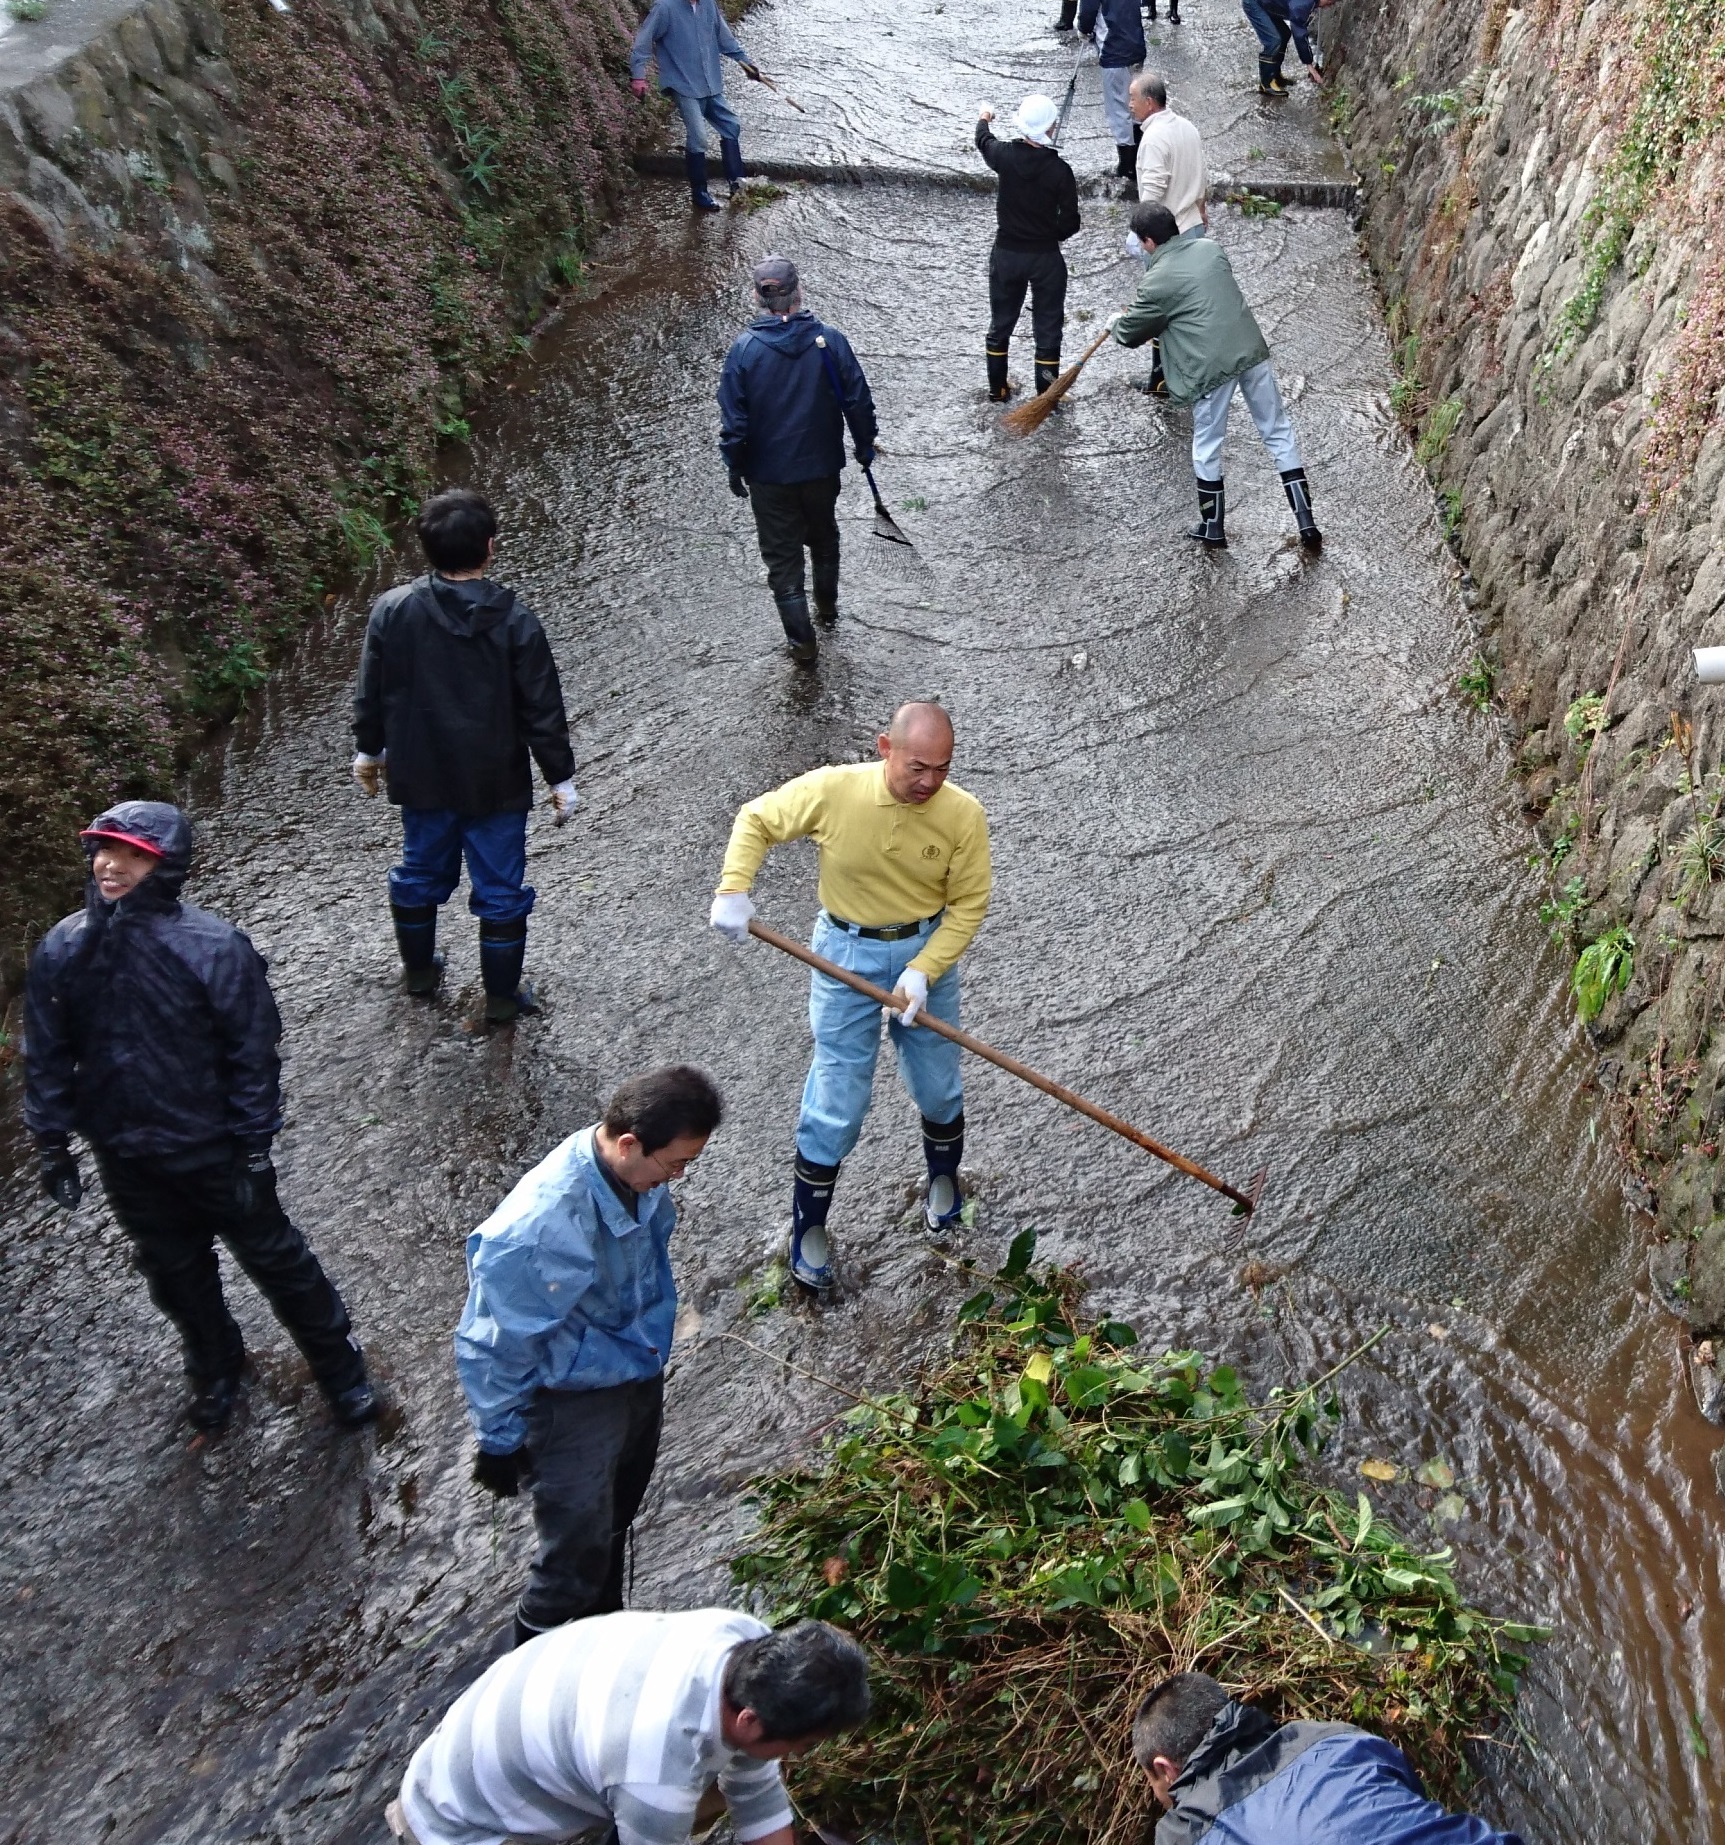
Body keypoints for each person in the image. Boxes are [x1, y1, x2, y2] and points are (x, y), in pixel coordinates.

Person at [23, 802, 376, 1435]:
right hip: (126, 1152)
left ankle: (341, 1371)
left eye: (135, 854)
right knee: (172, 1270)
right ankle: (215, 1365)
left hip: (212, 1147)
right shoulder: (63, 947)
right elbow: (47, 1052)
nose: (113, 864)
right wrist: (52, 1142)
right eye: (107, 849)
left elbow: (252, 1051)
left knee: (278, 1262)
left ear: (166, 866)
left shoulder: (214, 947)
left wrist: (253, 1147)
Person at [708, 702, 990, 1291]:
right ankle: (808, 1229)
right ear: (884, 747)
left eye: (942, 768)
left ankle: (943, 1183)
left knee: (938, 1084)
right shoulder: (835, 790)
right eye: (918, 766)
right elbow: (756, 819)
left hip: (925, 951)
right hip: (843, 954)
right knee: (838, 1092)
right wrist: (735, 888)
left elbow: (968, 905)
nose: (929, 782)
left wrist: (925, 968)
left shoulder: (963, 816)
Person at [457, 1066, 724, 1645]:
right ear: (628, 1143)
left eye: (687, 1163)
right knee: (571, 1560)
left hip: (635, 1369)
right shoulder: (539, 1226)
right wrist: (499, 1441)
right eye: (674, 1164)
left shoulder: (637, 1176)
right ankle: (524, 1674)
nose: (678, 1176)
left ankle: (602, 1635)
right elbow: (495, 1342)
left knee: (616, 1519)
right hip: (570, 1400)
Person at [351, 488, 576, 1026]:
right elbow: (541, 707)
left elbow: (371, 688)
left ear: (426, 548)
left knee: (418, 870)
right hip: (494, 782)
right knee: (500, 888)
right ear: (490, 547)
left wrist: (369, 750)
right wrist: (560, 779)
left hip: (420, 772)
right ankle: (500, 999)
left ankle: (421, 974)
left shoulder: (393, 610)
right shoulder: (517, 620)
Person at [389, 1611, 870, 1845]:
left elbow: (755, 1790)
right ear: (749, 1720)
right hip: (457, 1822)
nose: (801, 1755)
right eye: (804, 1744)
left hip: (503, 1740)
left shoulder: (745, 1639)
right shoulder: (656, 1771)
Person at [1109, 202, 1321, 551]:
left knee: (1207, 445)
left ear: (1148, 242)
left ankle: (1212, 527)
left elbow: (1131, 334)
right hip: (1251, 351)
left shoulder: (1155, 282)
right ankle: (1307, 522)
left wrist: (1114, 323)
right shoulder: (1211, 249)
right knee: (1278, 431)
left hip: (1212, 368)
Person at [1133, 1671, 1523, 1843]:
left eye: (1152, 1782)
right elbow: (1410, 1795)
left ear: (1165, 1768)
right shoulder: (1333, 1738)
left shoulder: (1180, 1835)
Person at [718, 256, 879, 666]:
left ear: (757, 298)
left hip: (769, 478)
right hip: (822, 468)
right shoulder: (830, 341)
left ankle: (803, 646)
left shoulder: (743, 352)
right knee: (824, 537)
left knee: (782, 558)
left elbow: (735, 424)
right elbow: (858, 400)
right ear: (799, 293)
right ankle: (828, 611)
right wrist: (865, 445)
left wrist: (735, 467)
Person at [974, 98, 1081, 401]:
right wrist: (1053, 234)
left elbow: (983, 139)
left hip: (1007, 254)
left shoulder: (1004, 156)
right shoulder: (1060, 171)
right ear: (1049, 128)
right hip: (1045, 258)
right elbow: (1071, 221)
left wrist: (985, 115)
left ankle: (998, 389)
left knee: (1001, 323)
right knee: (1048, 327)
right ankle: (1046, 396)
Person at [630, 0, 760, 212]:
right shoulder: (665, 8)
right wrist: (638, 77)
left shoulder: (708, 5)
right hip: (684, 85)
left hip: (711, 84)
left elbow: (725, 39)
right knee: (699, 138)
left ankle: (737, 182)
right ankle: (700, 193)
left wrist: (745, 63)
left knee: (731, 125)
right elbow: (643, 42)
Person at [1077, 0, 1147, 190]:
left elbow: (1087, 14)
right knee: (1136, 104)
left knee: (1118, 109)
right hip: (1136, 46)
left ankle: (1127, 168)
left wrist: (1083, 30)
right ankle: (1139, 161)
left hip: (1114, 50)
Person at [1242, 0, 1329, 94]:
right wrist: (1309, 65)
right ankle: (1266, 83)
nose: (1328, 7)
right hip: (1254, 4)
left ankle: (1275, 75)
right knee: (1273, 40)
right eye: (1330, 3)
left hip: (1267, 3)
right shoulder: (1302, 5)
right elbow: (1299, 34)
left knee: (1284, 34)